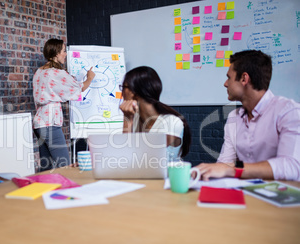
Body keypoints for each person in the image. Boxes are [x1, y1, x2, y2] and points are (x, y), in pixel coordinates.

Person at [196, 50, 300, 181]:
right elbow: (224, 164)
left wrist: (232, 169)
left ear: (244, 79)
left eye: (229, 77)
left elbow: (292, 166)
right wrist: (208, 172)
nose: (225, 83)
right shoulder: (234, 117)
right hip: (246, 193)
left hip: (282, 196)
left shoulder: (288, 111)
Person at [33, 38, 95, 171]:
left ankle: (43, 190)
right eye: (63, 51)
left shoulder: (39, 72)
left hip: (39, 122)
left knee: (46, 167)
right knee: (65, 165)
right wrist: (90, 78)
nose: (65, 54)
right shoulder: (57, 73)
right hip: (51, 123)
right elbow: (80, 88)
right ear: (56, 53)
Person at [119, 66, 191, 161]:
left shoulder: (172, 122)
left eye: (123, 87)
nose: (122, 92)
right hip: (142, 175)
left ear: (133, 92)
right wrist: (128, 118)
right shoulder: (135, 118)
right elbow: (125, 157)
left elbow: (145, 158)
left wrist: (127, 120)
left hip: (170, 175)